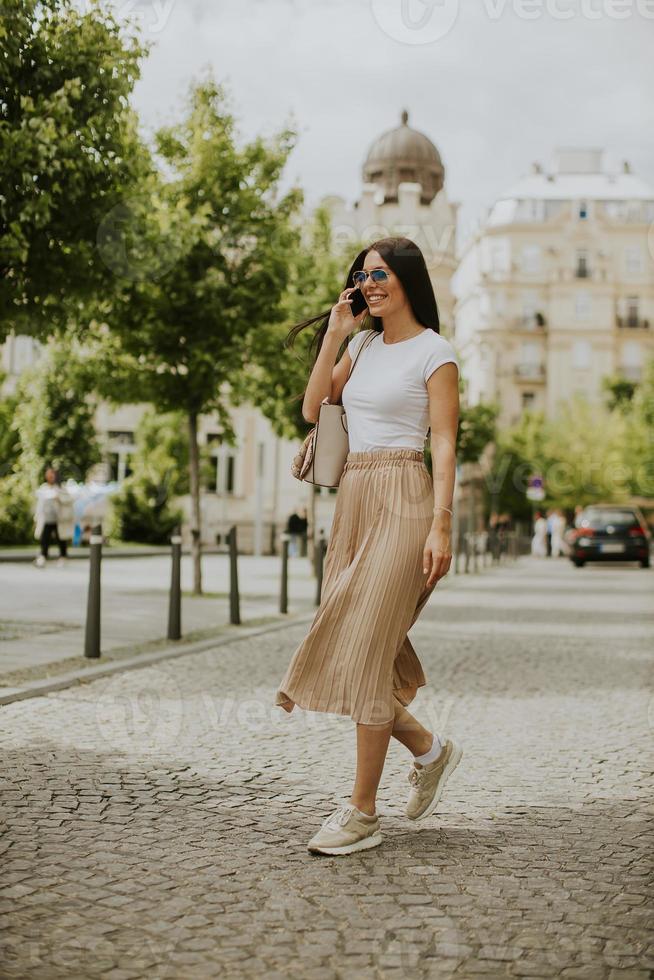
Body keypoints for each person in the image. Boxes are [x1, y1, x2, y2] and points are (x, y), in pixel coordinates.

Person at [274, 237, 463, 855]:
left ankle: (361, 812)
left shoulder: (435, 352)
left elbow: (443, 442)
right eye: (363, 275)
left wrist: (441, 522)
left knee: (360, 644)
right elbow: (312, 408)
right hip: (354, 496)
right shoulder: (361, 344)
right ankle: (429, 752)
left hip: (407, 493)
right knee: (362, 647)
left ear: (407, 279)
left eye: (380, 274)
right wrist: (334, 332)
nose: (370, 283)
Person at [33, 467, 75, 567]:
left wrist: (58, 497)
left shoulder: (61, 488)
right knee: (44, 538)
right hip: (46, 518)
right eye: (48, 474)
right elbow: (39, 504)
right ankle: (43, 556)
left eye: (52, 474)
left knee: (61, 538)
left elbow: (69, 499)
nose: (50, 476)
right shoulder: (44, 487)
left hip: (59, 519)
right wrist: (36, 517)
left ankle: (63, 557)